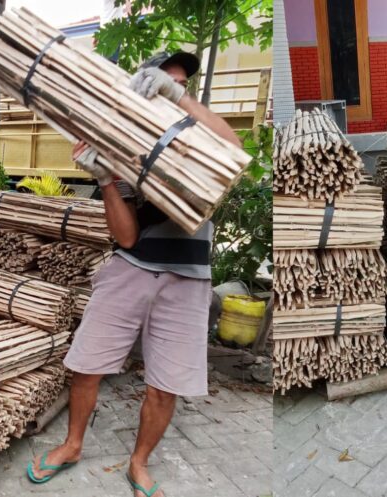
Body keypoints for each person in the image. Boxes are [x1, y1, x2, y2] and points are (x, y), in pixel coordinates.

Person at [27, 52, 241, 497]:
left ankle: (139, 463)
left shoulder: (200, 136)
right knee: (86, 366)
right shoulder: (124, 148)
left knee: (166, 385)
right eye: (164, 80)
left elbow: (235, 149)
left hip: (188, 279)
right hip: (132, 269)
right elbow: (125, 237)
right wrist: (106, 179)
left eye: (180, 83)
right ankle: (72, 445)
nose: (174, 88)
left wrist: (178, 98)